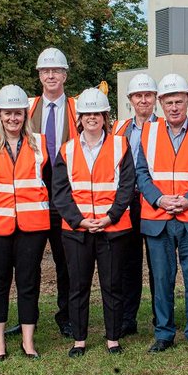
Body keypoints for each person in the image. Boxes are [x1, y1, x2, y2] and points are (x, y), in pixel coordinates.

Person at [50, 87, 135, 357]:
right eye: (87, 114)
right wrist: (80, 221)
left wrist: (110, 217)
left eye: (97, 113)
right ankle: (79, 340)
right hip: (77, 231)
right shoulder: (67, 150)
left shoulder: (121, 145)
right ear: (79, 118)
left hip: (113, 229)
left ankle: (113, 338)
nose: (92, 118)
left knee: (112, 285)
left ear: (105, 117)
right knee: (78, 286)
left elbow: (127, 187)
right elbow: (60, 192)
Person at [136, 73, 188, 353]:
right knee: (161, 280)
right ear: (161, 103)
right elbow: (141, 173)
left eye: (179, 101)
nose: (174, 107)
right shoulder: (149, 132)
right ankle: (164, 333)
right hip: (158, 218)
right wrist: (159, 199)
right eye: (168, 102)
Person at [0, 85, 51, 360]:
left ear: (25, 115)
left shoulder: (40, 143)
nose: (13, 118)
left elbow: (49, 184)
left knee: (28, 283)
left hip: (33, 227)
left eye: (17, 113)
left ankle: (28, 342)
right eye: (7, 113)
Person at [28, 47, 78, 338]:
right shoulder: (27, 107)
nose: (50, 76)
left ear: (64, 75)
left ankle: (67, 316)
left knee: (65, 261)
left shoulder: (77, 107)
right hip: (33, 194)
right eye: (45, 71)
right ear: (39, 75)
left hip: (66, 193)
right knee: (29, 263)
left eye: (56, 71)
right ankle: (28, 318)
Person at [114, 73, 159, 337]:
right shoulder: (120, 129)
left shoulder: (165, 127)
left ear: (155, 99)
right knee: (127, 264)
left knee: (157, 264)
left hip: (153, 202)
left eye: (148, 95)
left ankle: (160, 317)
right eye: (138, 96)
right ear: (130, 99)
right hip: (127, 203)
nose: (143, 100)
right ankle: (127, 318)